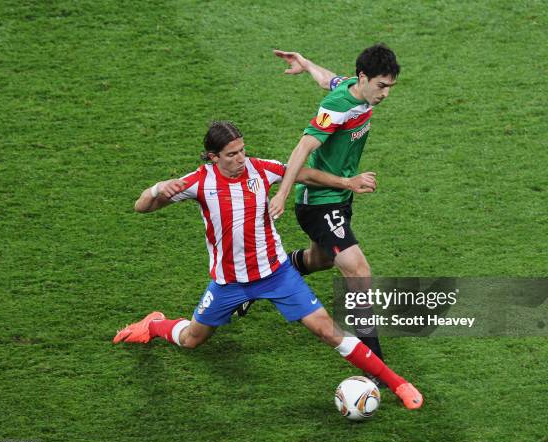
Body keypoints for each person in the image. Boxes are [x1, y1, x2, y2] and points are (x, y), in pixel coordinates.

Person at [113, 121, 423, 410]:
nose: (241, 158)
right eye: (232, 154)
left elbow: (303, 173)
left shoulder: (260, 169)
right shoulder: (198, 182)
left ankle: (398, 383)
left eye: (243, 150)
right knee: (191, 339)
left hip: (277, 275)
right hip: (229, 283)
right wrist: (157, 189)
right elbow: (142, 207)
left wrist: (346, 182)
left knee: (329, 331)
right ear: (213, 157)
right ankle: (154, 324)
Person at [269, 44, 401, 362]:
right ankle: (375, 364)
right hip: (319, 202)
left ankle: (264, 277)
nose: (385, 94)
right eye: (381, 86)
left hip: (339, 200)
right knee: (358, 271)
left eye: (390, 87)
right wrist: (282, 195)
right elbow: (300, 154)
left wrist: (306, 62)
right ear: (364, 77)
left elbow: (329, 79)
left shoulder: (354, 89)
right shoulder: (337, 106)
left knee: (321, 260)